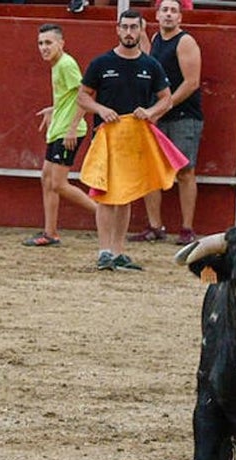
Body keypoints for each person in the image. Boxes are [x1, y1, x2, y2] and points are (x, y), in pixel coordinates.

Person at [78, 9, 175, 272]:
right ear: (117, 30)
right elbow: (83, 97)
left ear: (141, 30)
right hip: (107, 136)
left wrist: (151, 113)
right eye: (126, 27)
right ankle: (104, 251)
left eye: (135, 28)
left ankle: (118, 251)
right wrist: (100, 109)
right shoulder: (101, 63)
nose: (130, 33)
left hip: (134, 139)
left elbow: (167, 98)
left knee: (127, 195)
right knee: (106, 195)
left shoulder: (150, 65)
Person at [127, 0, 204, 247]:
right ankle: (155, 226)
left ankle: (187, 228)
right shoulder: (156, 40)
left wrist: (162, 107)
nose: (169, 15)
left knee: (185, 170)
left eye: (173, 11)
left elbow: (191, 83)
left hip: (183, 116)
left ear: (180, 18)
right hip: (158, 114)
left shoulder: (185, 41)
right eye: (164, 10)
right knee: (152, 170)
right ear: (157, 16)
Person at [24, 24, 99, 248]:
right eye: (41, 43)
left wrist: (72, 128)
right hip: (60, 128)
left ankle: (104, 214)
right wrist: (53, 110)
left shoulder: (66, 64)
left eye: (48, 43)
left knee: (58, 184)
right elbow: (67, 96)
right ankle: (50, 232)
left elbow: (83, 95)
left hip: (68, 131)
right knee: (47, 179)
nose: (44, 48)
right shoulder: (58, 64)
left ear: (61, 44)